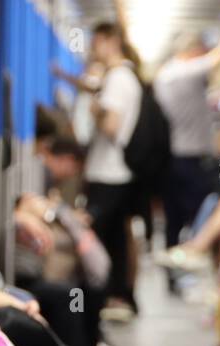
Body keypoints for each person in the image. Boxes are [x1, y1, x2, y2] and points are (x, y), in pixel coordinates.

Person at [153, 13, 220, 249]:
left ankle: (175, 270)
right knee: (202, 215)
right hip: (192, 161)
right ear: (194, 51)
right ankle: (193, 265)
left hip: (171, 160)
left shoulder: (165, 74)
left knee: (174, 220)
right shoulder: (185, 71)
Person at [85, 22, 145, 320]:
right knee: (116, 239)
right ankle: (118, 295)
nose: (92, 50)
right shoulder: (123, 77)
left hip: (109, 172)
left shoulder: (119, 79)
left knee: (102, 240)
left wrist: (94, 108)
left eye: (95, 43)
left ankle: (109, 296)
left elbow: (111, 126)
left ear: (110, 42)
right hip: (114, 172)